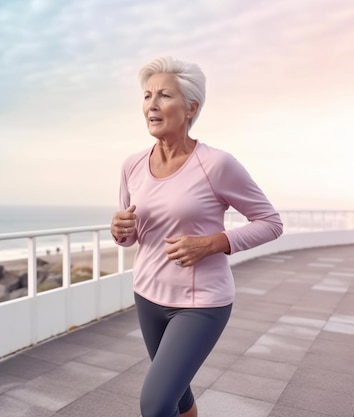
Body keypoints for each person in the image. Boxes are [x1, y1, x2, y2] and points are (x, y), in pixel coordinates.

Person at [110, 56, 283, 417]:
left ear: (191, 108)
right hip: (147, 295)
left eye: (164, 96)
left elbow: (270, 222)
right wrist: (120, 231)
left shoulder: (217, 164)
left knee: (156, 404)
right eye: (146, 96)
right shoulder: (132, 165)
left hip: (201, 304)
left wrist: (211, 243)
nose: (152, 105)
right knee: (179, 397)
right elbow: (132, 234)